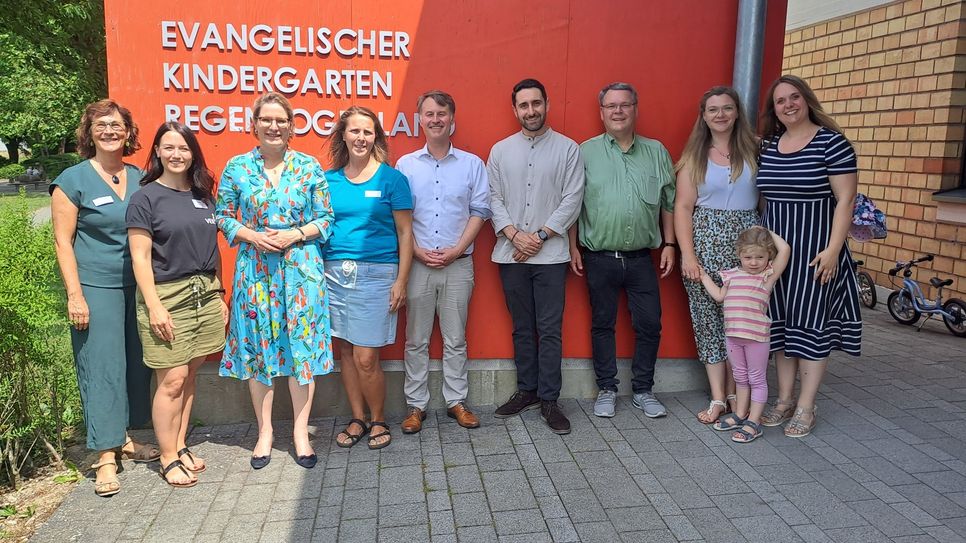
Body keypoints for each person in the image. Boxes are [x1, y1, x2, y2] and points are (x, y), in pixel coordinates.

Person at [216, 92, 334, 469]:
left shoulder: (308, 166)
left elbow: (327, 218)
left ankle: (301, 432)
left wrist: (295, 234)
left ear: (291, 125)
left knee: (302, 350)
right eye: (266, 119)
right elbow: (222, 215)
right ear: (254, 124)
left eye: (280, 120)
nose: (273, 126)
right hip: (255, 272)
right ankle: (264, 431)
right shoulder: (237, 167)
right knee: (259, 352)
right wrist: (252, 235)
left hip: (301, 272)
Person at [49, 99, 157, 497]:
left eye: (117, 125)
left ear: (128, 132)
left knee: (133, 367)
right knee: (102, 367)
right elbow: (63, 242)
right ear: (89, 132)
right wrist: (74, 295)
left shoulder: (140, 176)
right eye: (102, 125)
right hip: (96, 287)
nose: (110, 131)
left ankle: (123, 439)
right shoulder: (73, 180)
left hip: (138, 286)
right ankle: (104, 457)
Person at [757, 75, 862, 437]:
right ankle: (784, 399)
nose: (788, 105)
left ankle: (806, 405)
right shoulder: (769, 145)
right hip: (775, 254)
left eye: (794, 97)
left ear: (807, 100)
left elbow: (846, 201)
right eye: (780, 101)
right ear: (774, 109)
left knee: (812, 328)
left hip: (816, 252)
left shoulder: (832, 144)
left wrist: (834, 251)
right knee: (780, 328)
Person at [126, 122, 226, 487]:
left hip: (204, 291)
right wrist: (154, 306)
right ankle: (167, 457)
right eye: (168, 147)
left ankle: (181, 444)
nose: (176, 154)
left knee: (191, 373)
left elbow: (212, 250)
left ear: (192, 153)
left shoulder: (203, 194)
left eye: (183, 148)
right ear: (156, 152)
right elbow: (139, 257)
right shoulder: (145, 198)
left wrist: (219, 294)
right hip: (167, 295)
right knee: (171, 379)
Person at [568, 82, 676, 419]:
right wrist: (572, 246)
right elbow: (573, 203)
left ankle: (643, 389)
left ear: (635, 109)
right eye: (611, 106)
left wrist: (670, 243)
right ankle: (607, 388)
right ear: (601, 113)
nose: (618, 111)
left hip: (642, 258)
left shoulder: (656, 152)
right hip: (598, 257)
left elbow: (669, 203)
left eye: (624, 105)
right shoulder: (585, 152)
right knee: (602, 324)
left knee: (649, 323)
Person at [489, 78, 584, 434]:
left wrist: (540, 235)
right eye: (524, 105)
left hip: (551, 255)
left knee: (550, 329)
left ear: (546, 104)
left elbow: (572, 199)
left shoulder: (568, 149)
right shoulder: (500, 151)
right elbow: (492, 198)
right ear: (515, 109)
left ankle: (549, 399)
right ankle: (527, 391)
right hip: (511, 254)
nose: (531, 111)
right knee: (522, 328)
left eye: (536, 103)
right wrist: (514, 234)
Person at [396, 91, 490, 433]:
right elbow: (398, 217)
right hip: (417, 264)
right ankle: (415, 406)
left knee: (455, 339)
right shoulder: (405, 165)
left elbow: (480, 211)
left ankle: (456, 402)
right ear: (419, 119)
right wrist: (418, 252)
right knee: (416, 339)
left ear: (453, 119)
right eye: (429, 114)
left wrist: (456, 249)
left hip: (458, 264)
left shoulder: (471, 164)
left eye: (442, 113)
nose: (435, 119)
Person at [324, 106, 414, 450]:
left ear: (376, 137)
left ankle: (378, 419)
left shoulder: (392, 180)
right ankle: (357, 417)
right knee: (345, 351)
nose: (361, 138)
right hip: (333, 274)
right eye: (354, 131)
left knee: (366, 356)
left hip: (377, 275)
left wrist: (401, 281)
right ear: (343, 135)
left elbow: (406, 234)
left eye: (368, 132)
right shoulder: (328, 181)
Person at [673, 86, 761, 424]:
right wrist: (688, 256)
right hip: (705, 243)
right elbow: (682, 207)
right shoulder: (695, 155)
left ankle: (743, 395)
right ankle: (717, 398)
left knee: (743, 324)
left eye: (727, 108)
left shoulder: (756, 150)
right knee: (708, 322)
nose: (720, 114)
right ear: (704, 116)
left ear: (737, 112)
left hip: (748, 249)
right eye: (713, 109)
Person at [699, 227, 790, 443]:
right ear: (739, 254)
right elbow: (719, 296)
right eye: (748, 257)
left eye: (760, 256)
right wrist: (703, 277)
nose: (754, 262)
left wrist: (765, 230)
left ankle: (754, 422)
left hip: (757, 339)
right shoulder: (731, 276)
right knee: (740, 377)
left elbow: (785, 249)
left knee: (756, 379)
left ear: (769, 256)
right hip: (733, 337)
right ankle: (740, 414)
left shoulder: (767, 276)